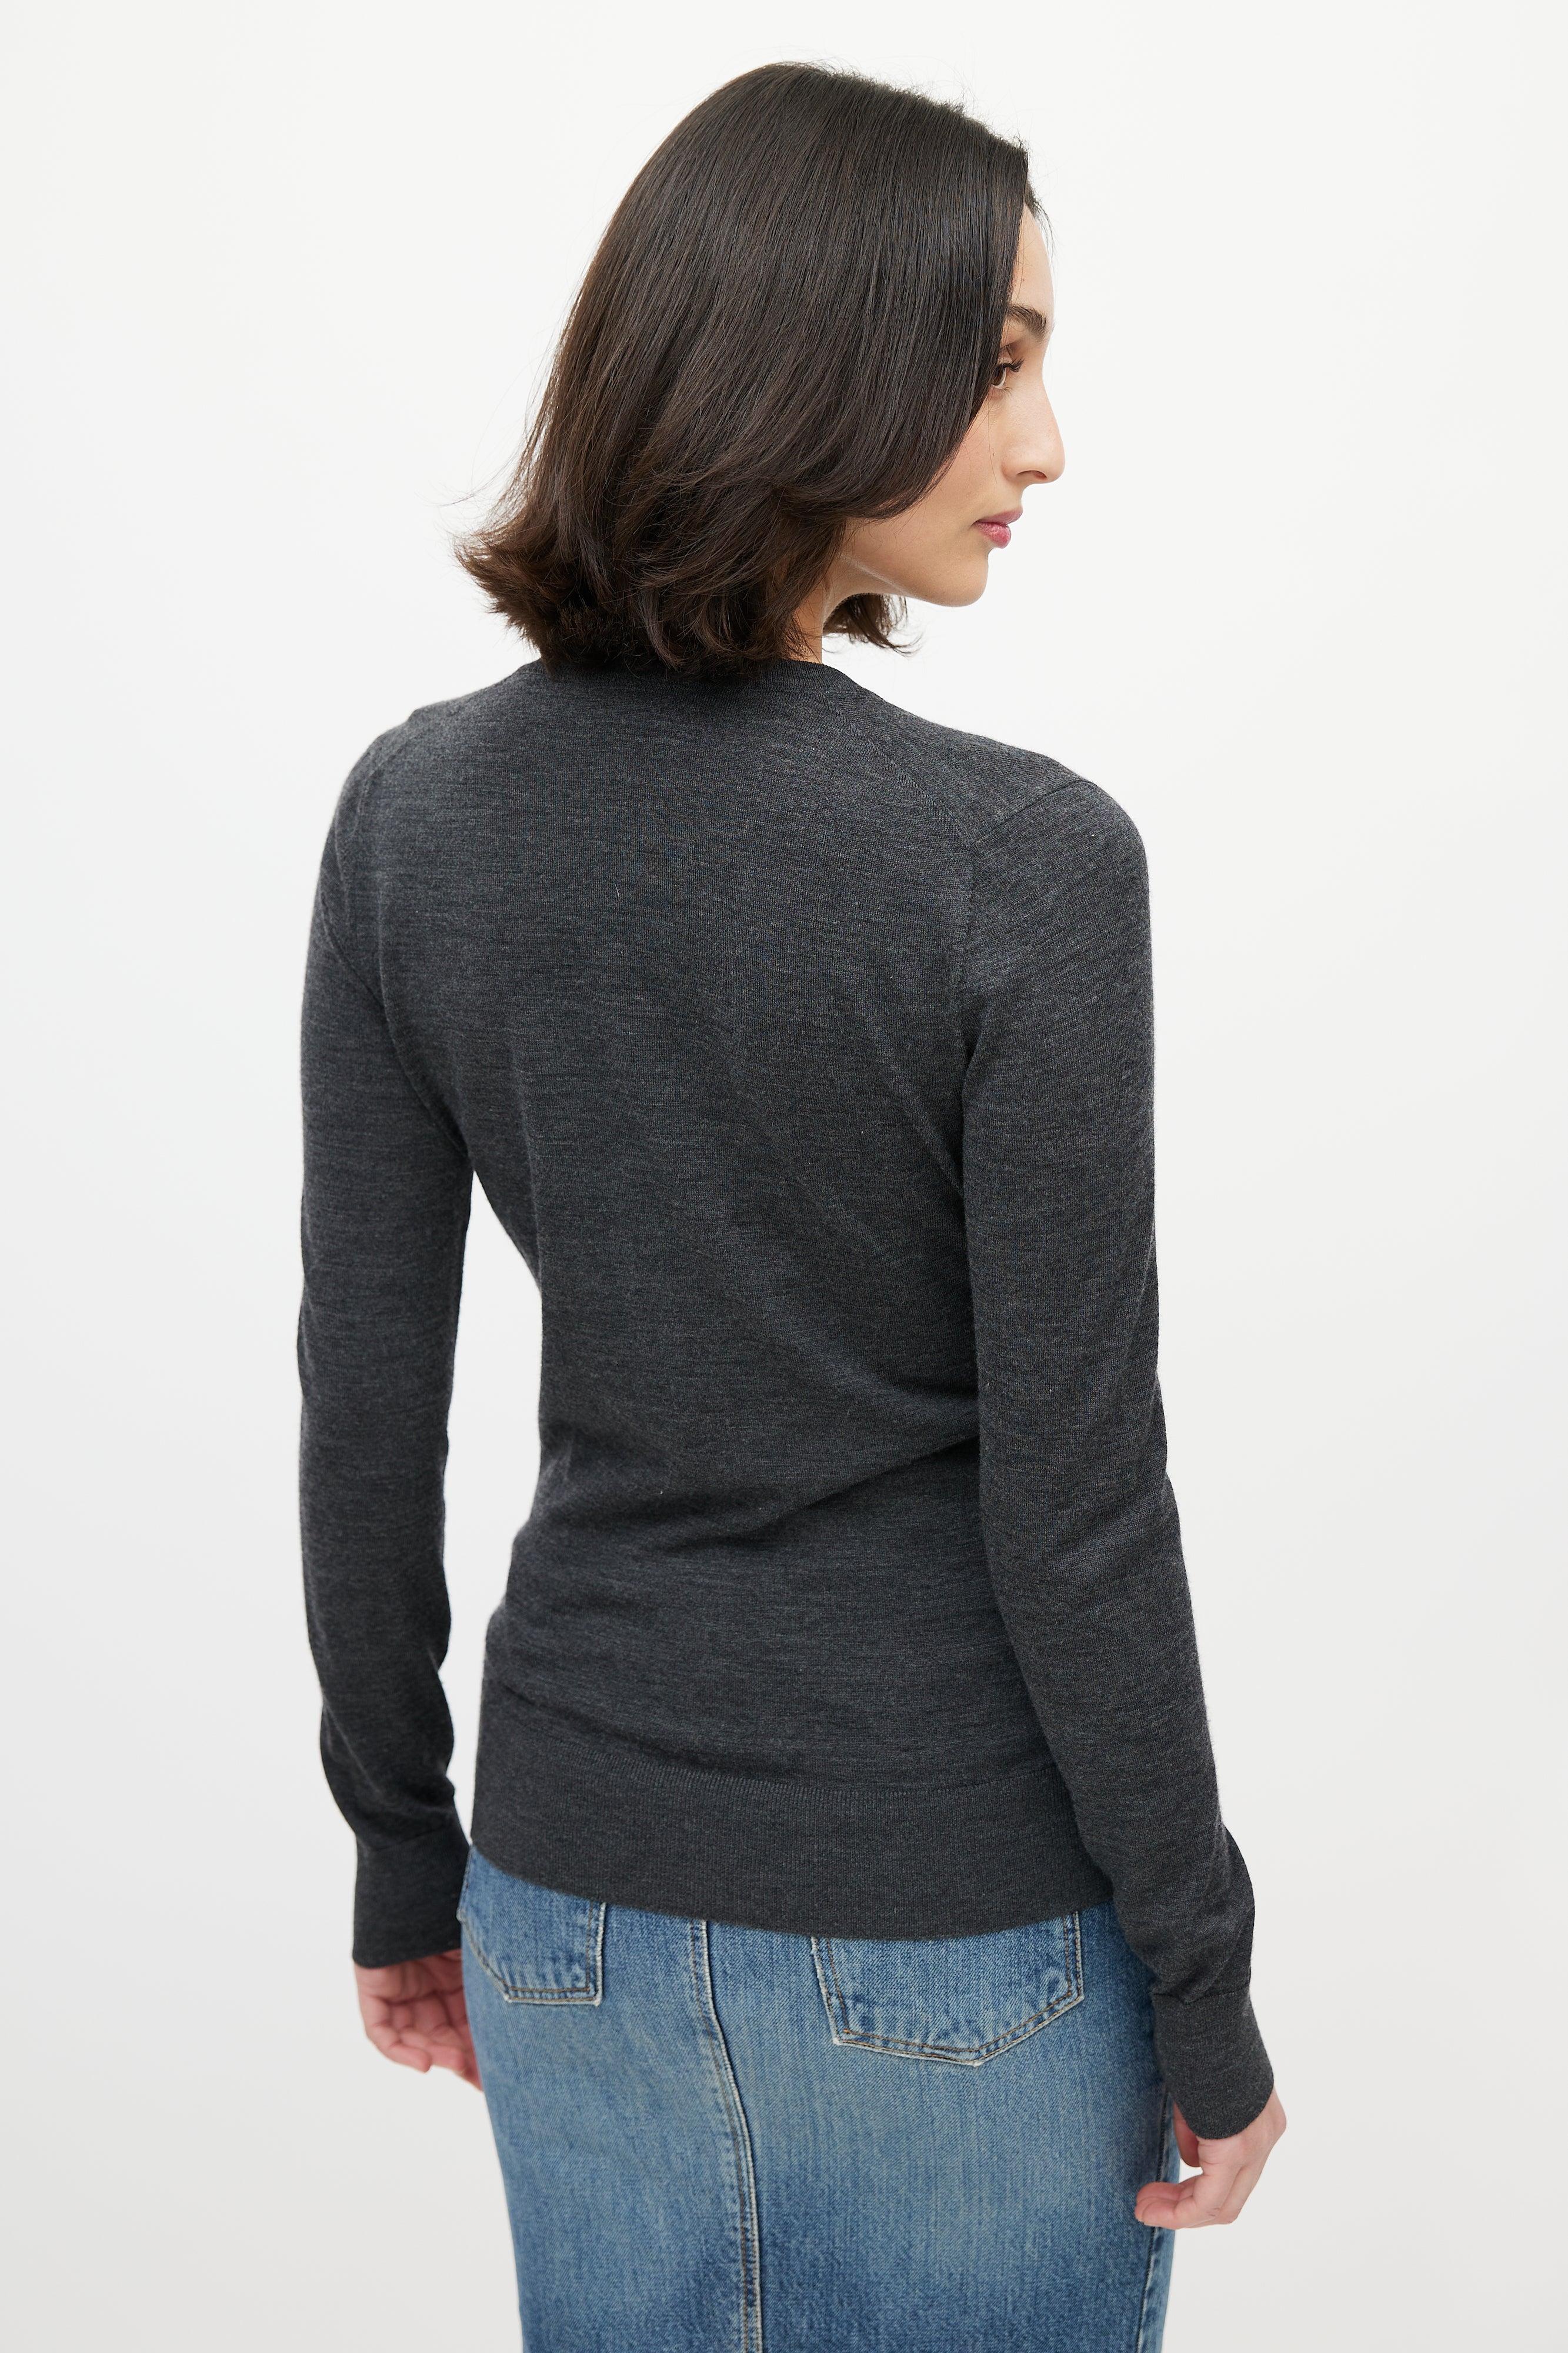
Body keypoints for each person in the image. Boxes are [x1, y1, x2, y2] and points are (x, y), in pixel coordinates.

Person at [298, 60, 1285, 2353]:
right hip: (950, 1930)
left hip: (566, 1914)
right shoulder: (1020, 865)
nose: (1046, 445)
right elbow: (1078, 1506)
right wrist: (1204, 1981)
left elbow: (367, 1408)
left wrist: (402, 1857)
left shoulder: (413, 821)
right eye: (997, 363)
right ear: (818, 357)